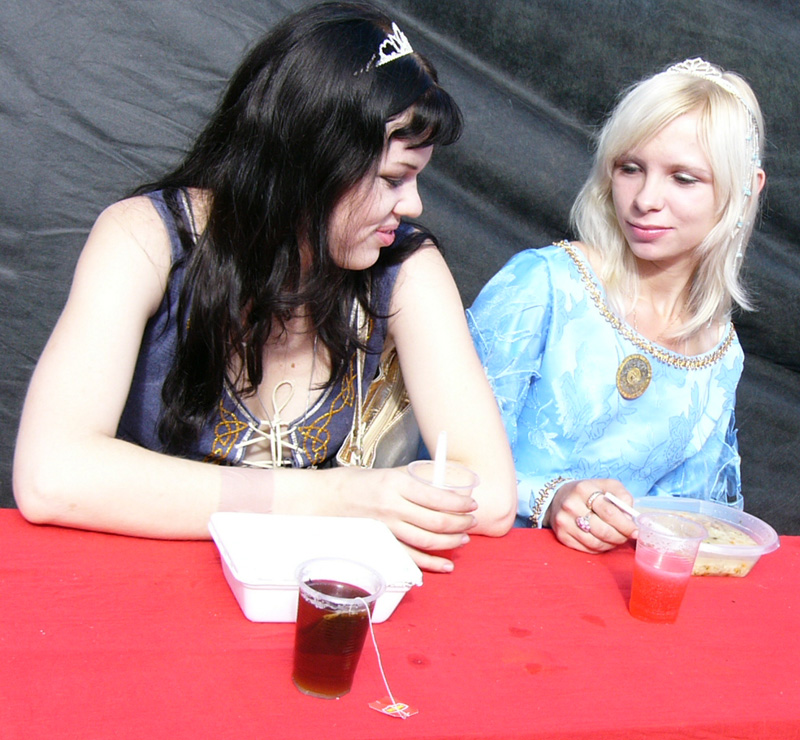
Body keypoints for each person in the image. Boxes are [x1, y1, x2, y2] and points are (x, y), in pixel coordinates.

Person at [12, 1, 517, 572]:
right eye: (393, 178)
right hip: (137, 583)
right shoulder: (146, 238)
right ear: (311, 164)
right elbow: (51, 475)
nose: (414, 205)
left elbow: (493, 496)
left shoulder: (403, 266)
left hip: (307, 589)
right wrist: (335, 497)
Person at [467, 58, 765, 553]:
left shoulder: (721, 353)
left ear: (746, 190)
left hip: (615, 589)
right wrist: (550, 497)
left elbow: (688, 525)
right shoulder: (544, 284)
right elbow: (445, 463)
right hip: (494, 567)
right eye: (631, 168)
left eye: (683, 178)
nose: (645, 199)